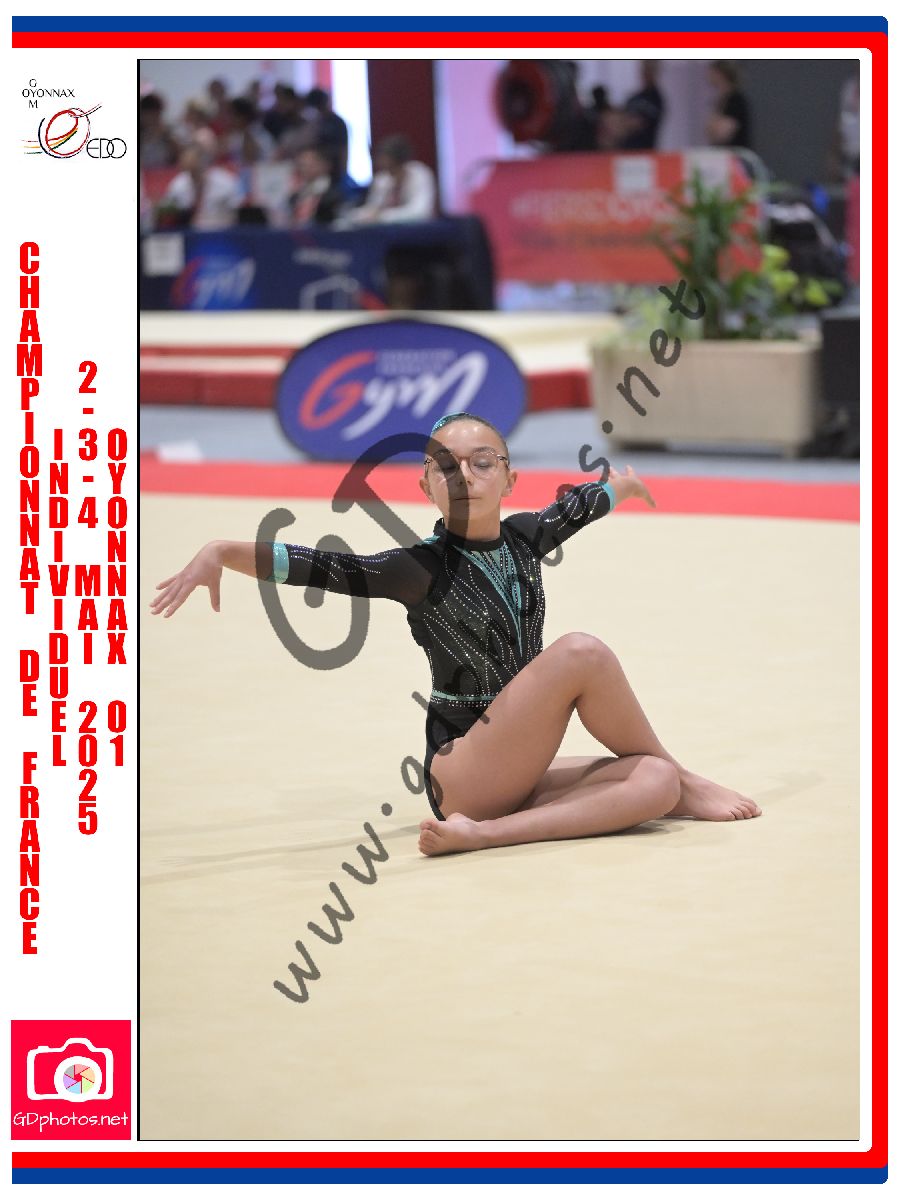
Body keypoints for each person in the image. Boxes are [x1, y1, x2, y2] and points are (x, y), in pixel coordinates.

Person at [150, 411, 761, 856]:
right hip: (462, 767)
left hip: (517, 764)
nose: (464, 474)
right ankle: (682, 780)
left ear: (509, 478)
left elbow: (572, 511)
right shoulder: (418, 568)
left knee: (651, 782)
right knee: (582, 652)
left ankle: (495, 832)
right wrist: (222, 551)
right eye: (445, 466)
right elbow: (326, 567)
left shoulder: (524, 537)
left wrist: (617, 488)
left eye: (482, 462)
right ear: (426, 487)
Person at [351, 134, 437, 224]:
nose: (388, 172)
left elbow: (421, 212)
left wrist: (382, 216)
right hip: (386, 230)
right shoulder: (382, 179)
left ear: (402, 161)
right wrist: (356, 215)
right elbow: (372, 209)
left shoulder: (421, 174)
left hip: (419, 229)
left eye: (392, 166)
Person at [160, 146, 242, 230]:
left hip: (221, 231)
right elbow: (166, 213)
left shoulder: (226, 182)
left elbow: (237, 214)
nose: (193, 174)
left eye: (196, 169)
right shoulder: (178, 184)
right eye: (189, 170)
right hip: (188, 232)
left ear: (205, 164)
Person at [288, 145, 345, 226]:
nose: (304, 169)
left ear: (325, 165)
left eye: (310, 165)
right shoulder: (296, 195)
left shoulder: (335, 193)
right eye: (302, 165)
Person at [618, 61, 666, 151]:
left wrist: (629, 122)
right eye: (644, 70)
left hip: (645, 150)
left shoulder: (656, 100)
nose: (646, 74)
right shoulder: (633, 99)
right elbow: (621, 120)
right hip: (627, 149)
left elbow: (639, 123)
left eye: (649, 70)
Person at [706, 60, 752, 151]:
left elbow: (721, 133)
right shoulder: (722, 100)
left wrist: (713, 126)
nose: (708, 76)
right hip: (724, 154)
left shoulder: (736, 100)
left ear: (720, 74)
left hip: (735, 156)